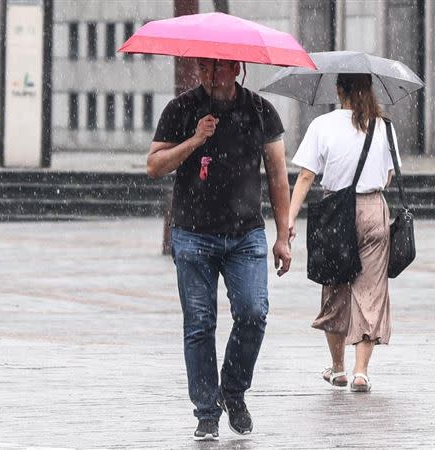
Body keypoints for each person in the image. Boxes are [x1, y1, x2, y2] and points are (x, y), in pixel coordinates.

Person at [147, 58, 292, 441]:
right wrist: (195, 140)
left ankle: (233, 388)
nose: (211, 76)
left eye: (220, 68)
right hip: (193, 234)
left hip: (245, 235)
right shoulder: (181, 109)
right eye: (205, 68)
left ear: (237, 68)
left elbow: (278, 175)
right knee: (199, 324)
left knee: (253, 311)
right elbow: (154, 165)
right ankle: (206, 411)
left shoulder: (260, 111)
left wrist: (283, 235)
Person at [287, 73, 401, 393]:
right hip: (373, 210)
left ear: (339, 90)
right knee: (370, 291)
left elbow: (307, 176)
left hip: (335, 210)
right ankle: (361, 371)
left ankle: (338, 369)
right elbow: (389, 176)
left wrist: (290, 218)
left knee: (335, 288)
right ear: (369, 89)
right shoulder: (384, 127)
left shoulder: (322, 125)